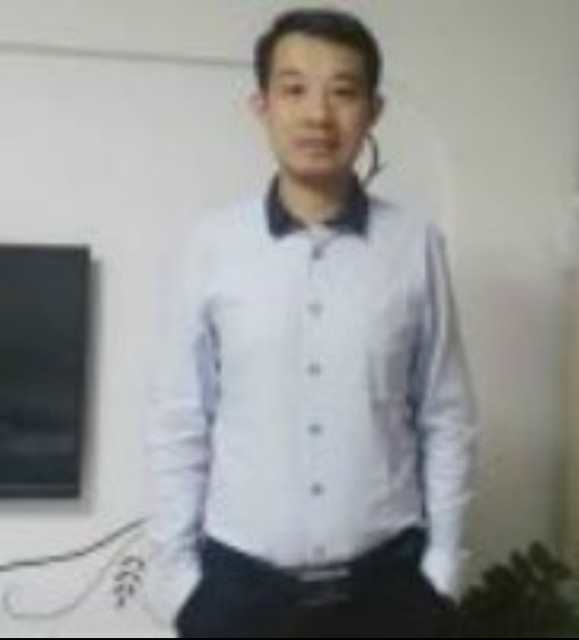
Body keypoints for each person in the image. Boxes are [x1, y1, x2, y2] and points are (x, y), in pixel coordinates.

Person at [147, 7, 477, 638]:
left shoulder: (415, 245)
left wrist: (442, 572)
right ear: (262, 106)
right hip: (238, 599)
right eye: (294, 89)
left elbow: (446, 413)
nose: (318, 115)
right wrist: (180, 587)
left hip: (388, 594)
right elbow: (179, 420)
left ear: (373, 111)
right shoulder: (212, 245)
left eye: (343, 91)